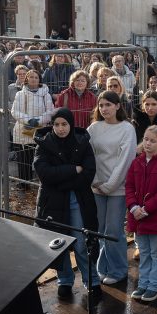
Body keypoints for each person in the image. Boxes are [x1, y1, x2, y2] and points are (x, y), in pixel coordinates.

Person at [34, 108, 101, 303]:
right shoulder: (44, 144)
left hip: (77, 200)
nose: (61, 128)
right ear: (51, 125)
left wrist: (61, 180)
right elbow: (44, 173)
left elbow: (88, 172)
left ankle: (92, 281)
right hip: (53, 203)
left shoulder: (82, 142)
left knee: (81, 243)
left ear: (71, 125)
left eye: (64, 124)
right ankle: (65, 280)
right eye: (56, 124)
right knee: (59, 242)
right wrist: (73, 169)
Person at [88, 91, 137, 285]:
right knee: (100, 229)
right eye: (101, 105)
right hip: (96, 186)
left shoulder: (127, 129)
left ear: (117, 106)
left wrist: (109, 185)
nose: (104, 108)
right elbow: (88, 157)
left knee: (114, 229)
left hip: (117, 188)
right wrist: (95, 182)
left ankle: (118, 270)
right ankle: (103, 267)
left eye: (108, 104)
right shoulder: (93, 128)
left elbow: (125, 161)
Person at [125, 125, 157, 302]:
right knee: (143, 251)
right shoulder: (136, 162)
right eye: (146, 139)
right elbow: (129, 186)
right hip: (137, 215)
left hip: (155, 216)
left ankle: (155, 285)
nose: (148, 143)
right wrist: (133, 207)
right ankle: (143, 283)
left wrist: (146, 209)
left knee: (156, 252)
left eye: (153, 141)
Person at [11, 69, 54, 189]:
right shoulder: (20, 94)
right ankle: (24, 183)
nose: (33, 79)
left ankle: (42, 184)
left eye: (36, 77)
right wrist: (28, 120)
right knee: (23, 159)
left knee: (40, 159)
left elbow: (50, 111)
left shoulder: (46, 94)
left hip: (40, 131)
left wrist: (38, 121)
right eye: (31, 77)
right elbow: (15, 111)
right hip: (22, 130)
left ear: (39, 79)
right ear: (26, 79)